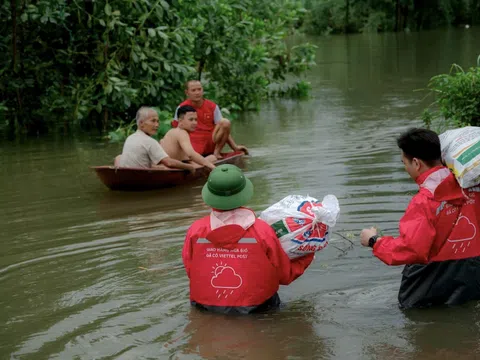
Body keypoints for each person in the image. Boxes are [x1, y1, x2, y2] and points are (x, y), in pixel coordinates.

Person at [359, 128, 480, 309]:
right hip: (473, 271)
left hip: (430, 280)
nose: (406, 169)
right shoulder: (471, 187)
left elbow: (412, 249)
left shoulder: (423, 201)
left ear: (416, 163)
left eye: (404, 163)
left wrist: (374, 241)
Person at [182, 164, 314, 314]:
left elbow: (191, 270)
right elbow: (284, 275)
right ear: (244, 194)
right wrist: (307, 252)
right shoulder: (262, 231)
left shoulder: (196, 231)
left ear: (210, 196)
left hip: (204, 307)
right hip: (256, 309)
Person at [173, 80, 248, 158]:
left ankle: (217, 152)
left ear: (203, 90)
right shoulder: (181, 108)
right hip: (191, 142)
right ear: (187, 92)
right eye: (193, 90)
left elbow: (224, 130)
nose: (197, 93)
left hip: (210, 141)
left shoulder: (212, 106)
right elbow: (176, 130)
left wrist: (235, 147)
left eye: (199, 89)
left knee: (225, 122)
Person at [115, 107, 195, 173]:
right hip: (138, 176)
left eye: (157, 121)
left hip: (126, 173)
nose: (156, 125)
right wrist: (189, 167)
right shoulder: (150, 141)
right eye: (153, 121)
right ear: (141, 123)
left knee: (118, 157)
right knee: (165, 167)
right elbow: (169, 162)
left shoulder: (130, 137)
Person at [160, 105, 216, 171]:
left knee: (212, 158)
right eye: (191, 120)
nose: (194, 123)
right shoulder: (182, 133)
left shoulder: (172, 131)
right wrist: (212, 167)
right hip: (170, 167)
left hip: (172, 164)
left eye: (196, 120)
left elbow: (186, 157)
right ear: (180, 121)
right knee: (213, 158)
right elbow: (191, 154)